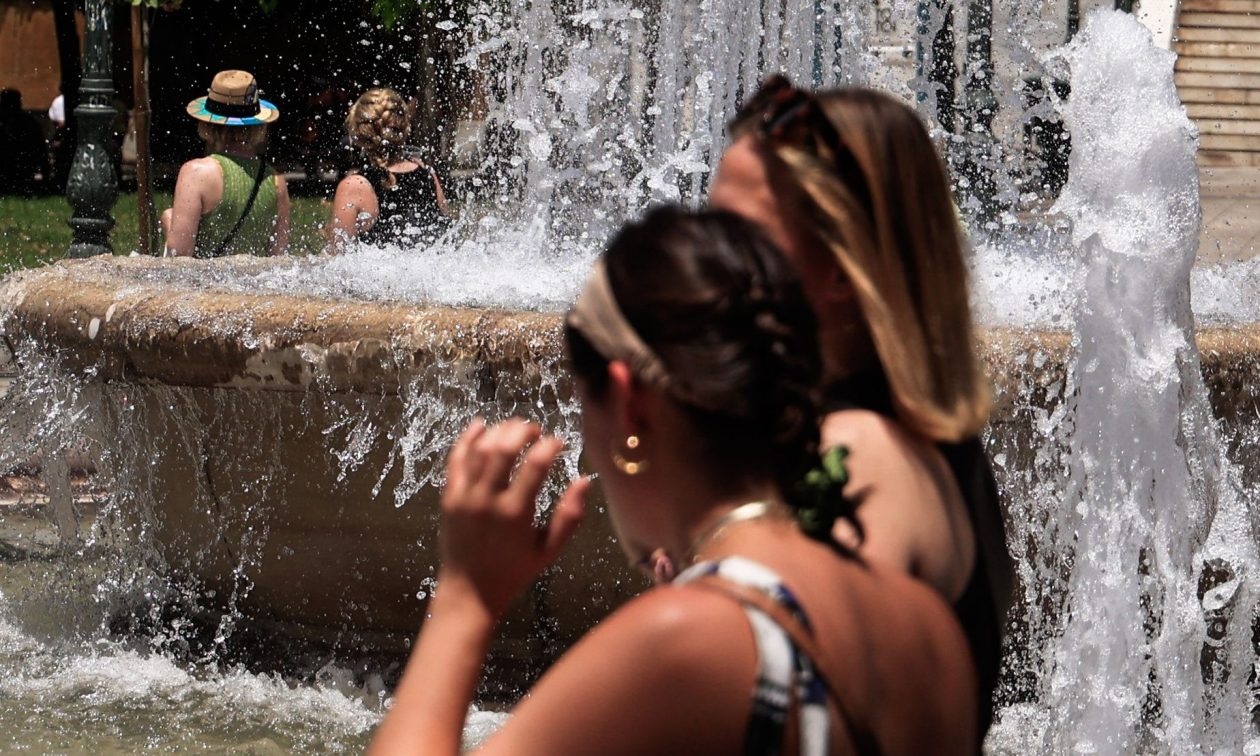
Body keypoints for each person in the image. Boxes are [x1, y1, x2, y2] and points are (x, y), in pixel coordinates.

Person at [369, 207, 977, 755]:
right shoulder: (929, 630)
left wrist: (467, 598)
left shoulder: (684, 641)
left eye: (584, 400)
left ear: (630, 407)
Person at [708, 75, 1013, 731]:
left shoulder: (858, 459)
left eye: (738, 236)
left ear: (843, 266)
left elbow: (796, 719)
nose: (703, 260)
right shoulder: (919, 444)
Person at [161, 70, 290, 257]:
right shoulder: (277, 182)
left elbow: (179, 257)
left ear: (208, 123)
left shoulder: (196, 173)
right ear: (259, 124)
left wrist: (168, 223)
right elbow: (279, 260)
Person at [328, 88, 449, 251]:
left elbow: (339, 255)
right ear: (405, 129)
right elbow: (444, 238)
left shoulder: (354, 186)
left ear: (358, 134)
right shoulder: (428, 175)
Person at [0, 89, 49, 195]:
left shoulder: (28, 123)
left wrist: (46, 173)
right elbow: (41, 151)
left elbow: (40, 149)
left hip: (22, 169)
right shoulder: (29, 122)